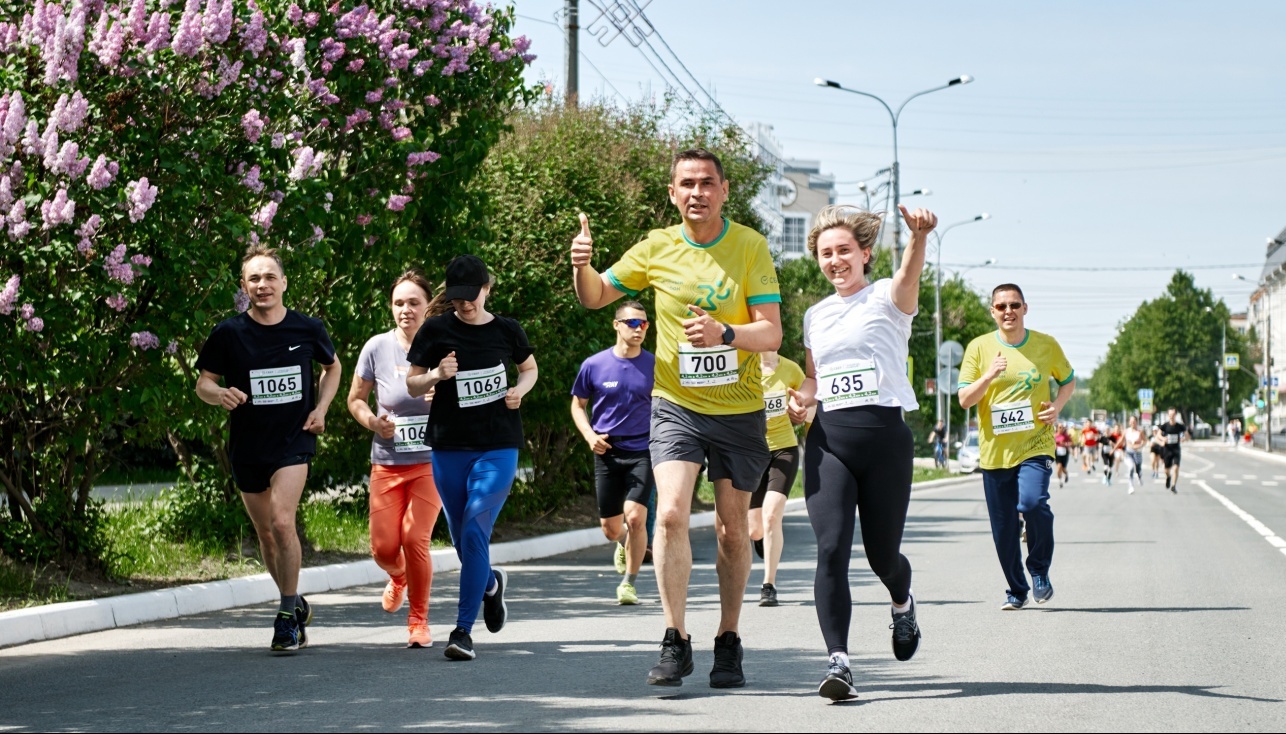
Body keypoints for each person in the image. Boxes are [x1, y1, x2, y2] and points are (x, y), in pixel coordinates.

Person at [570, 148, 782, 689]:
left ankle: (728, 640)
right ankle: (674, 638)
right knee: (668, 518)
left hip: (738, 409)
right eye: (686, 183)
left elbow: (772, 335)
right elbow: (595, 297)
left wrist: (725, 334)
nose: (697, 193)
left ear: (724, 190)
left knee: (734, 531)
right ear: (672, 193)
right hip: (676, 406)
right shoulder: (656, 247)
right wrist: (581, 265)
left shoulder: (749, 246)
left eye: (707, 183)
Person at [786, 203, 937, 701]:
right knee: (829, 549)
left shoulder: (889, 299)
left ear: (865, 253)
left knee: (881, 556)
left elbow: (910, 271)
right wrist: (802, 400)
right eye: (826, 254)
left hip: (885, 443)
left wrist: (917, 238)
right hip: (830, 442)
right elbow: (814, 378)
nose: (835, 261)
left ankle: (902, 601)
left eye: (844, 251)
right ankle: (840, 662)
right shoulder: (815, 314)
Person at [195, 245, 342, 652]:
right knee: (265, 533)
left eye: (269, 277)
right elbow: (203, 382)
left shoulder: (307, 329)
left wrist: (322, 407)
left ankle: (284, 617)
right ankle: (296, 603)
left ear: (284, 283)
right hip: (248, 446)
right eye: (254, 279)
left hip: (294, 440)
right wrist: (218, 393)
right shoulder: (229, 333)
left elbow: (333, 367)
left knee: (282, 522)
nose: (263, 285)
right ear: (244, 287)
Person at [406, 255, 538, 661]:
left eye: (472, 296)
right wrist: (436, 376)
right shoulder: (435, 330)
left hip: (498, 444)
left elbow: (529, 368)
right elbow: (412, 384)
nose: (465, 305)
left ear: (487, 288)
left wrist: (520, 390)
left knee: (477, 525)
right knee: (462, 533)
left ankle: (462, 630)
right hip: (448, 446)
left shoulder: (507, 330)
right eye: (457, 298)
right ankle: (490, 586)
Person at [958, 283, 1075, 611]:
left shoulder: (1045, 345)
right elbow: (965, 398)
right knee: (1004, 530)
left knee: (1033, 502)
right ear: (992, 312)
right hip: (995, 452)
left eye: (1014, 305)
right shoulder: (979, 348)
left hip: (1035, 443)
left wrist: (1057, 405)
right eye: (1001, 307)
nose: (1008, 311)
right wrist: (989, 376)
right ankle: (1016, 590)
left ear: (1025, 308)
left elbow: (1068, 380)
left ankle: (1039, 570)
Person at [347, 270, 442, 648]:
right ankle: (398, 576)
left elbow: (469, 397)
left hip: (431, 462)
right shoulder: (376, 348)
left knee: (414, 537)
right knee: (384, 547)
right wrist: (373, 421)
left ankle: (418, 620)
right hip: (387, 461)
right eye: (399, 303)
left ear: (427, 306)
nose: (406, 309)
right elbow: (355, 399)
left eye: (414, 302)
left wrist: (446, 401)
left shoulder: (443, 345)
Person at [570, 301, 657, 606]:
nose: (639, 329)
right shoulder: (594, 365)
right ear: (616, 325)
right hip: (606, 451)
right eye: (633, 323)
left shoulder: (654, 365)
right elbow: (578, 405)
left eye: (644, 324)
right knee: (611, 529)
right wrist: (589, 435)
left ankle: (629, 584)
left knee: (636, 517)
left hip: (643, 451)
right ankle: (623, 544)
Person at [750, 349, 805, 608]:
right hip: (751, 452)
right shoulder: (744, 367)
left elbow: (807, 404)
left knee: (772, 515)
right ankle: (762, 540)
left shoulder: (792, 370)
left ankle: (768, 585)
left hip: (784, 448)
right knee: (754, 528)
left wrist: (802, 410)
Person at [1158, 407, 1189, 493]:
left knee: (1175, 468)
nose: (1171, 416)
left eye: (1173, 415)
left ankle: (1173, 485)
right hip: (1167, 450)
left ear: (1175, 415)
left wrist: (1184, 439)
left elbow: (1187, 435)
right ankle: (1168, 477)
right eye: (1170, 415)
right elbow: (1158, 435)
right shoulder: (1165, 426)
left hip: (1176, 450)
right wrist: (1163, 438)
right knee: (1166, 470)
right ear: (1168, 415)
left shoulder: (1180, 426)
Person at [1123, 416, 1145, 491]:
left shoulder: (1140, 431)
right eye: (1131, 422)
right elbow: (1121, 441)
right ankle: (1131, 486)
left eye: (1134, 422)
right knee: (1131, 467)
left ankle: (1139, 476)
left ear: (1136, 422)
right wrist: (1114, 449)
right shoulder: (1126, 431)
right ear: (1129, 422)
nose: (1133, 423)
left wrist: (1140, 445)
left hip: (1137, 452)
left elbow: (1144, 441)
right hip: (1129, 452)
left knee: (1138, 468)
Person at [1054, 423, 1072, 488]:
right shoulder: (1055, 435)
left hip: (1064, 453)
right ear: (1057, 428)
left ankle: (1066, 474)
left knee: (1063, 468)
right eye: (1060, 427)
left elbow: (1070, 442)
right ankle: (1060, 481)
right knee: (1059, 467)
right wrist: (1055, 445)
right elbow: (1051, 444)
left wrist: (1065, 444)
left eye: (1062, 427)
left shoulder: (1066, 436)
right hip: (1057, 453)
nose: (1061, 429)